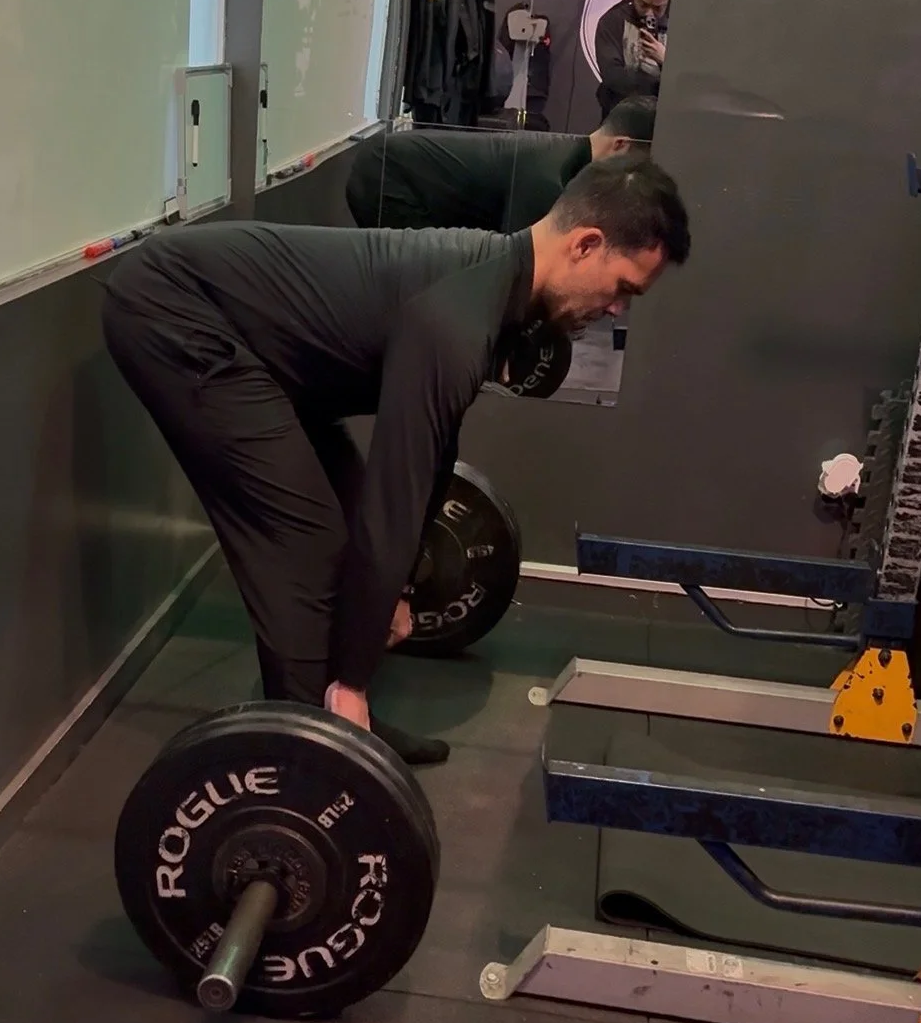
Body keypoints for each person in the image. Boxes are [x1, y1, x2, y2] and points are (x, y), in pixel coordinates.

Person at [103, 155, 690, 766]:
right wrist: (354, 678)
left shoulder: (496, 289)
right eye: (624, 289)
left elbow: (436, 452)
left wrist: (401, 586)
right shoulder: (460, 315)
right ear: (585, 244)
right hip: (176, 311)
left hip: (268, 353)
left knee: (347, 522)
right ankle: (312, 759)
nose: (618, 310)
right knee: (305, 543)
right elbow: (396, 496)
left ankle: (337, 723)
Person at [345, 95, 657, 235]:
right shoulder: (549, 176)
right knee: (426, 277)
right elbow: (515, 264)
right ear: (621, 145)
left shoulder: (561, 159)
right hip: (386, 174)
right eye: (637, 164)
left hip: (389, 165)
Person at [594, 0, 676, 120]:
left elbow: (692, 83)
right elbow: (612, 77)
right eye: (643, 4)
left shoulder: (682, 25)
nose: (649, 13)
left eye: (657, 7)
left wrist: (665, 61)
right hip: (620, 118)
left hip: (667, 119)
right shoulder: (613, 21)